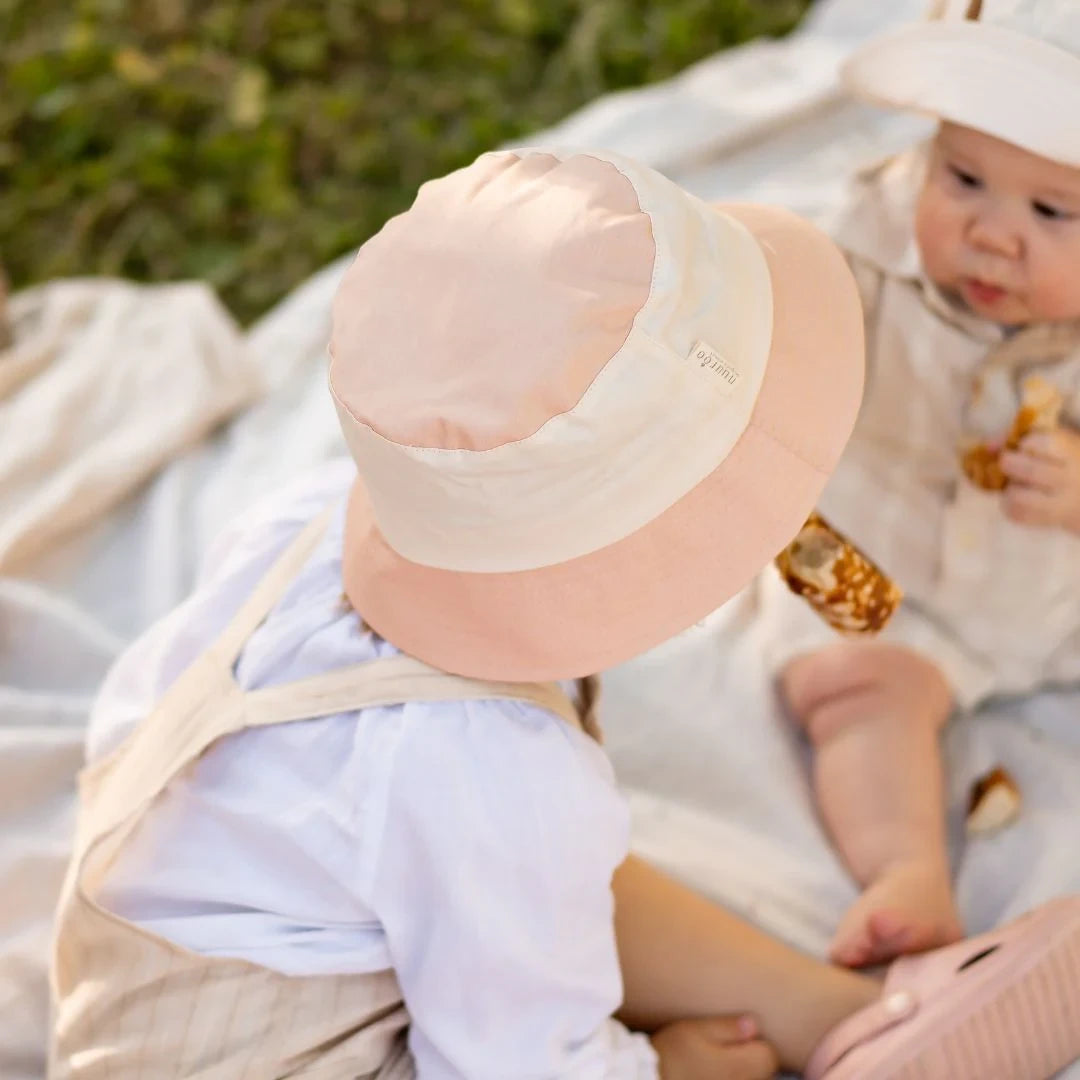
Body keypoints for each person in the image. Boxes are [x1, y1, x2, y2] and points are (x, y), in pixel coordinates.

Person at [49, 146, 1080, 1079]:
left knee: (544, 887)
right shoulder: (499, 771)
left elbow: (146, 726)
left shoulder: (311, 520)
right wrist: (662, 1067)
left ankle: (843, 1016)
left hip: (176, 927)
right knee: (524, 880)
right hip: (277, 1057)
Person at [750, 0, 1080, 970]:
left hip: (1049, 597)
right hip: (870, 561)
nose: (991, 236)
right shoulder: (863, 239)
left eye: (1054, 211)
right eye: (964, 177)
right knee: (851, 691)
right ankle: (906, 876)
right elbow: (786, 333)